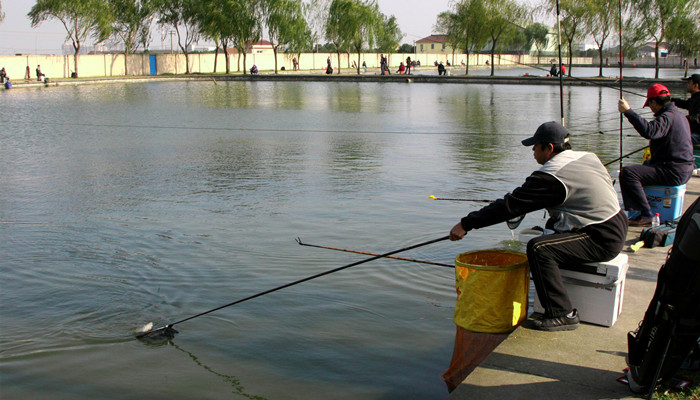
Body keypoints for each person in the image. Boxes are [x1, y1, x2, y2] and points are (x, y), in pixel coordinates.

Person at [449, 121, 628, 331]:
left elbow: (509, 206)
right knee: (548, 232)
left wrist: (466, 224)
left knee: (539, 249)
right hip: (616, 223)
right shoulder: (587, 156)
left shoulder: (551, 175)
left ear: (549, 148)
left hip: (601, 237)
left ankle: (562, 314)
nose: (533, 151)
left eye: (535, 146)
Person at [618, 84, 694, 226]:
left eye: (650, 105)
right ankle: (642, 209)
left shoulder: (667, 117)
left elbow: (649, 131)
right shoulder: (678, 115)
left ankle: (646, 214)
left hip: (674, 171)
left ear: (654, 102)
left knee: (628, 173)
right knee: (645, 166)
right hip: (684, 169)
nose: (651, 109)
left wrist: (628, 111)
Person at [671, 73, 700, 147]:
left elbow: (697, 118)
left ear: (696, 85)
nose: (687, 85)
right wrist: (670, 100)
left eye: (689, 83)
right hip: (694, 131)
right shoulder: (695, 98)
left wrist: (680, 119)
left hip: (698, 134)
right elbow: (685, 104)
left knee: (677, 138)